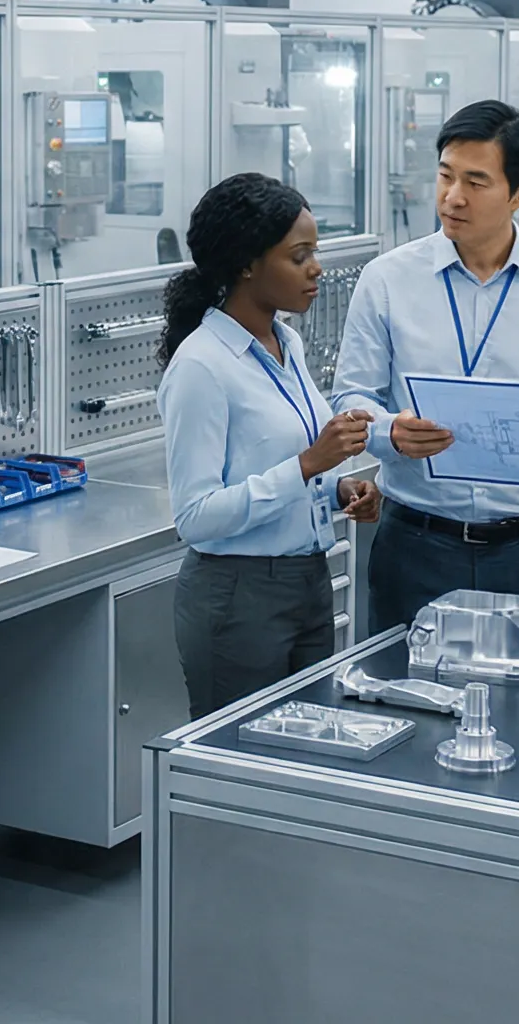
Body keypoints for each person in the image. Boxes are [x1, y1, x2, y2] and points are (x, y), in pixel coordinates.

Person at [335, 100, 519, 634]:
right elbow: (351, 396)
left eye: (476, 182)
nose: (453, 196)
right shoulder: (387, 280)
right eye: (445, 175)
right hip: (414, 544)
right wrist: (391, 432)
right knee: (402, 683)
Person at [159, 173, 379, 718]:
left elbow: (283, 465)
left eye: (315, 253)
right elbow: (195, 517)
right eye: (299, 256)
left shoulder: (287, 343)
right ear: (246, 265)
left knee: (304, 749)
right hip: (238, 597)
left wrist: (336, 488)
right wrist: (308, 465)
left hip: (308, 582)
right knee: (240, 758)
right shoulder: (202, 366)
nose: (316, 268)